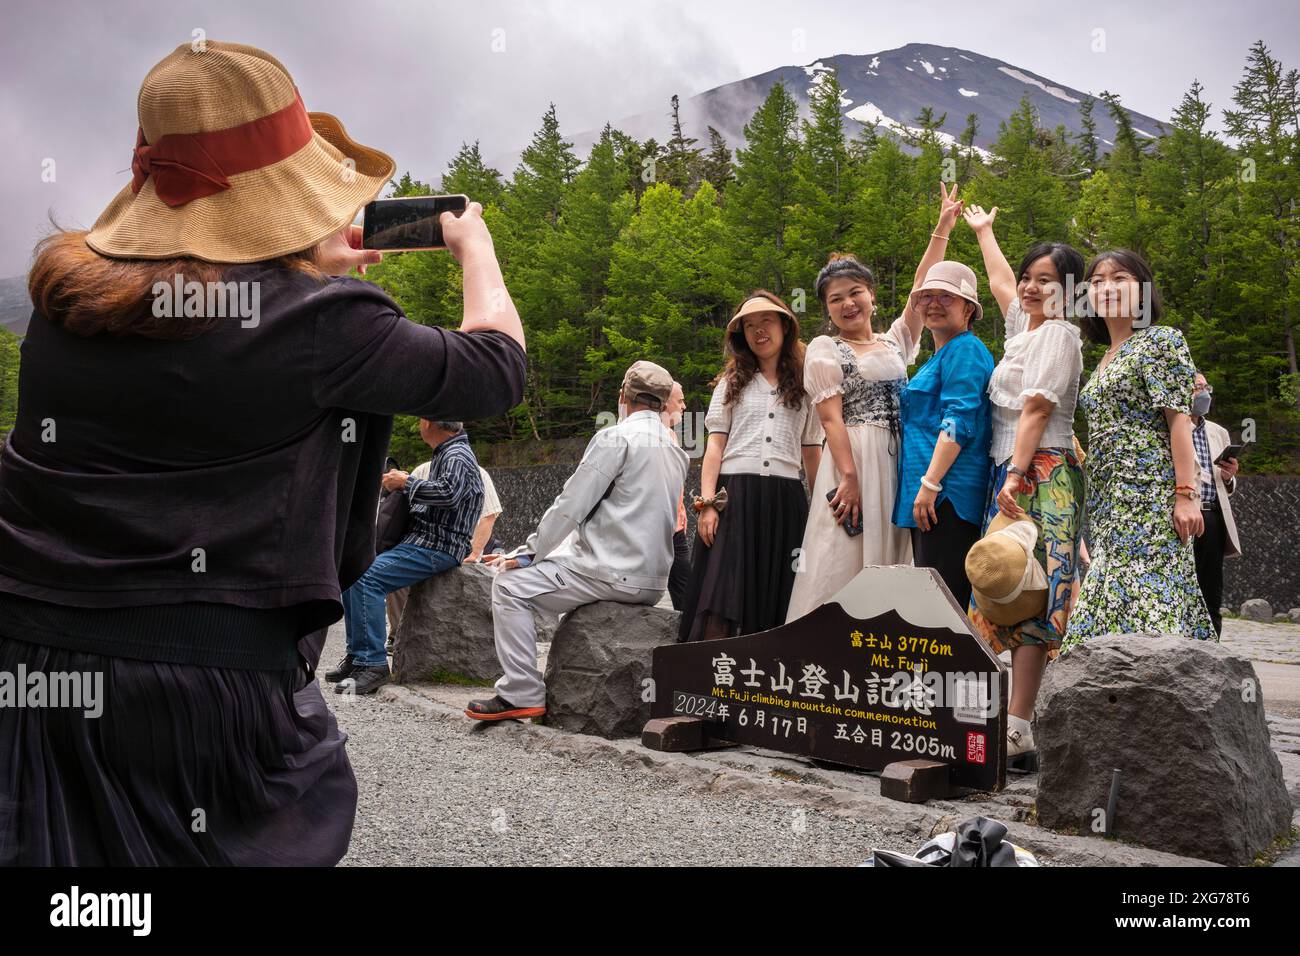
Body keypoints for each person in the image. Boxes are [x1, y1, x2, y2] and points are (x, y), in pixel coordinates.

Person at [0, 41, 526, 865]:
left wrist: (302, 272)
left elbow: (209, 326)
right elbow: (494, 370)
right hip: (203, 686)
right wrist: (476, 250)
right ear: (283, 198)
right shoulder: (324, 325)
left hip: (33, 665)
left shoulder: (65, 308)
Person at [468, 361, 688, 720]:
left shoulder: (617, 437)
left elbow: (571, 504)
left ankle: (522, 691)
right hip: (652, 582)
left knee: (509, 586)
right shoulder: (676, 450)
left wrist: (528, 554)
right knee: (560, 570)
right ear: (664, 403)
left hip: (610, 572)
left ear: (623, 397)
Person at [784, 184, 964, 622]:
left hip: (898, 459)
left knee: (893, 551)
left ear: (871, 297)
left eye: (855, 292)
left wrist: (942, 227)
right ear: (827, 310)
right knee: (842, 545)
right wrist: (848, 476)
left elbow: (922, 290)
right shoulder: (827, 348)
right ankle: (823, 643)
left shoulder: (893, 342)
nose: (848, 303)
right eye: (836, 298)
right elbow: (829, 419)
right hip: (855, 455)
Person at [963, 204, 1086, 758]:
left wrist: (1014, 475)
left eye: (1048, 281)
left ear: (1070, 293)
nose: (1033, 289)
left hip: (1041, 473)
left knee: (1034, 590)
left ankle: (1018, 726)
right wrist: (985, 232)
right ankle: (1005, 719)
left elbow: (1036, 410)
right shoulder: (1024, 329)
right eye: (1030, 278)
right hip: (1012, 471)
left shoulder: (1058, 336)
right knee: (1001, 586)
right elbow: (998, 283)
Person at [1063, 250, 1215, 647]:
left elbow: (1179, 422)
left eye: (1120, 279)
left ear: (1143, 290)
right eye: (1097, 282)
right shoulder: (1102, 359)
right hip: (1110, 499)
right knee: (1113, 590)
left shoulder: (1161, 341)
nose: (1107, 288)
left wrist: (1186, 495)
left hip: (1150, 494)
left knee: (1149, 591)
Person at [679, 292, 823, 641]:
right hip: (734, 497)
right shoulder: (730, 384)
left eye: (766, 322)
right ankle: (709, 681)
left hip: (786, 499)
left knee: (780, 592)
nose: (758, 331)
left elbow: (812, 451)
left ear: (785, 325)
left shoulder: (807, 385)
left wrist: (821, 512)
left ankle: (761, 685)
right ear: (740, 335)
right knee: (721, 592)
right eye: (749, 326)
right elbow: (715, 446)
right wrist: (708, 504)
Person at [328, 419, 484, 694]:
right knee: (355, 571)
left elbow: (450, 494)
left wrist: (406, 482)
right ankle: (357, 655)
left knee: (367, 578)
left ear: (430, 424)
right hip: (425, 541)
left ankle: (372, 663)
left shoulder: (457, 454)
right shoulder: (448, 452)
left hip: (439, 545)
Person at [894, 260, 994, 611]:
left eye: (946, 297)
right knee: (932, 604)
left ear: (969, 309)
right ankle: (940, 669)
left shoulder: (965, 349)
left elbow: (958, 420)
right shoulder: (938, 355)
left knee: (945, 606)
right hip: (929, 496)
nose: (934, 303)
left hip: (948, 496)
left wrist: (931, 483)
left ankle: (957, 670)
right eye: (927, 296)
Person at [384, 460, 503, 639]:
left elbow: (489, 515)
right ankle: (399, 634)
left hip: (458, 546)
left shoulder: (477, 472)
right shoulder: (422, 470)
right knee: (390, 573)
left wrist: (474, 551)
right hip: (421, 544)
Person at [1190, 371, 1242, 635]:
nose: (1203, 393)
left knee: (1211, 585)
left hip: (1213, 515)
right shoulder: (1172, 427)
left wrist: (1229, 476)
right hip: (1185, 514)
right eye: (1197, 387)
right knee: (1186, 582)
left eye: (1205, 386)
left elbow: (1226, 485)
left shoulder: (1218, 432)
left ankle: (1212, 642)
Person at [662, 381, 693, 611]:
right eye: (680, 401)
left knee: (684, 584)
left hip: (676, 527)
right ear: (664, 403)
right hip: (661, 527)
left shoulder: (670, 434)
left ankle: (687, 635)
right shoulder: (654, 436)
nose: (684, 406)